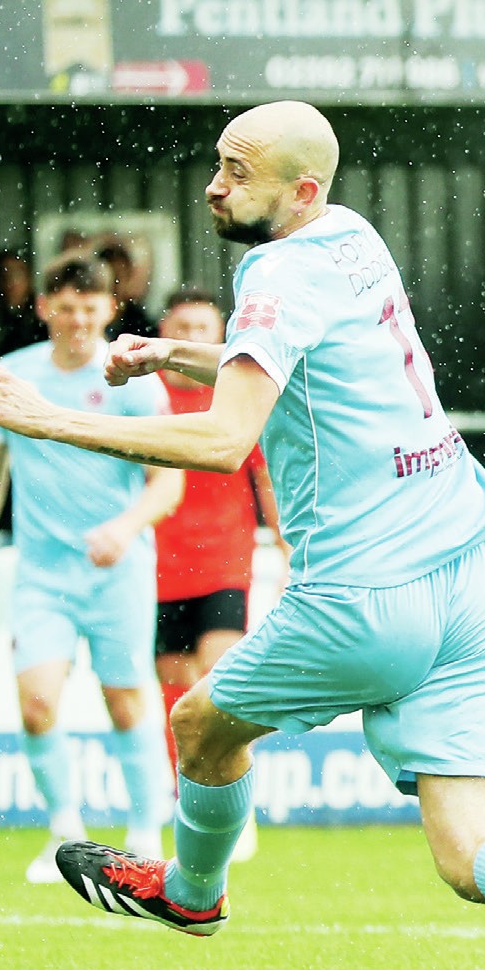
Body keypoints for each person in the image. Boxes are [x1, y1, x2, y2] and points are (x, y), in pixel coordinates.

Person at [0, 100, 485, 970]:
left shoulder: (273, 272)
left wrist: (46, 418)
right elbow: (284, 361)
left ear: (301, 191)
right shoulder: (351, 238)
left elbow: (225, 435)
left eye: (237, 172)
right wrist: (171, 353)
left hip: (366, 597)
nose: (214, 185)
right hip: (464, 579)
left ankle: (195, 892)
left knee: (198, 726)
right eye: (218, 164)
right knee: (469, 850)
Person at [0, 254, 182, 883]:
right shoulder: (18, 375)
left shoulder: (133, 380)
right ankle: (64, 835)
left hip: (118, 572)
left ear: (110, 310)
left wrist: (126, 525)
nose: (78, 319)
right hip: (42, 576)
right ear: (44, 308)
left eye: (90, 307)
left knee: (127, 703)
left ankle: (143, 835)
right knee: (36, 705)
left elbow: (168, 483)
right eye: (66, 306)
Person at [152, 284, 286, 859]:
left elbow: (266, 477)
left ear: (222, 336)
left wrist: (285, 545)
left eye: (201, 329)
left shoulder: (233, 399)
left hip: (224, 561)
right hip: (158, 567)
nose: (189, 338)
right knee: (174, 690)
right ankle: (186, 794)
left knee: (219, 684)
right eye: (180, 327)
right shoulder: (146, 398)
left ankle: (235, 800)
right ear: (163, 330)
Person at [0, 252, 40, 356]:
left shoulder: (42, 320)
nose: (11, 283)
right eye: (4, 276)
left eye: (18, 275)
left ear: (29, 279)